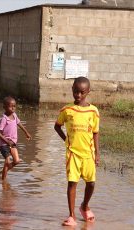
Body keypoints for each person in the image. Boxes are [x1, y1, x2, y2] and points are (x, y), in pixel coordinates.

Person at [54, 77, 100, 226]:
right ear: (72, 89)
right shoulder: (67, 110)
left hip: (88, 153)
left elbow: (95, 132)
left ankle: (84, 206)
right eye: (75, 91)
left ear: (88, 92)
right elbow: (57, 126)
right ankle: (72, 215)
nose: (78, 95)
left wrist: (97, 153)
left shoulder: (93, 111)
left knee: (91, 183)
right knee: (72, 183)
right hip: (72, 153)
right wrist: (66, 140)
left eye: (82, 92)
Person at [0, 96, 32, 180]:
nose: (13, 108)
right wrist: (7, 141)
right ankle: (3, 181)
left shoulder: (14, 116)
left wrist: (26, 132)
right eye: (10, 106)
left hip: (13, 143)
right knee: (7, 161)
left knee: (17, 161)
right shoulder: (4, 119)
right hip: (5, 144)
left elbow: (19, 123)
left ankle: (4, 171)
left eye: (14, 106)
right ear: (4, 107)